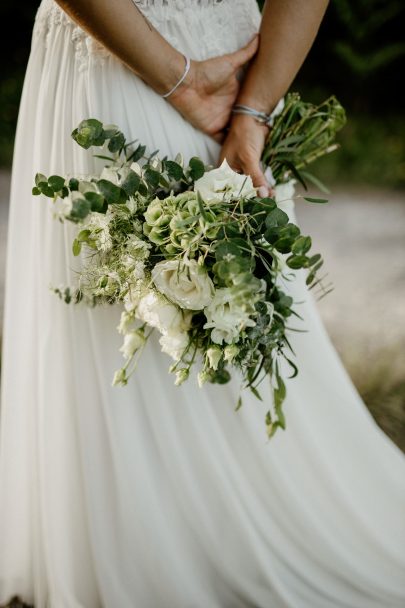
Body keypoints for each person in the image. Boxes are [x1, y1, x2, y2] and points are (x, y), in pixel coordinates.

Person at [0, 0, 404, 606]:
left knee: (198, 303)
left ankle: (146, 548)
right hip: (210, 71)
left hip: (132, 68)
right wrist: (251, 109)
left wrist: (196, 86)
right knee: (164, 305)